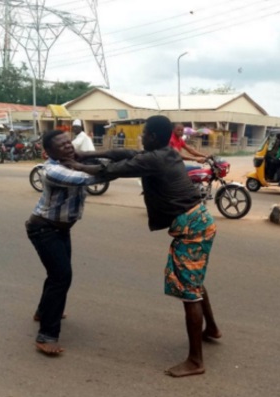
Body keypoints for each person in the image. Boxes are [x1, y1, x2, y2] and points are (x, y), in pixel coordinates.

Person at [62, 115, 221, 377]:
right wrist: (85, 155)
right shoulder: (165, 152)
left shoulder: (154, 158)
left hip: (192, 228)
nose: (142, 137)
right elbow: (121, 153)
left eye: (145, 133)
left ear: (155, 137)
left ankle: (195, 361)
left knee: (188, 290)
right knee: (194, 279)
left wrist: (75, 164)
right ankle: (211, 329)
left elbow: (111, 170)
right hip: (199, 221)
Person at [25, 130, 101, 356]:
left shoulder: (73, 162)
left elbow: (99, 161)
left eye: (69, 143)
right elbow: (91, 178)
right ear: (49, 152)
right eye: (62, 145)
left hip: (59, 229)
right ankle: (46, 335)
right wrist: (131, 167)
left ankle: (43, 311)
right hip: (44, 229)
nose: (68, 147)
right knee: (61, 277)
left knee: (57, 275)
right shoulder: (52, 170)